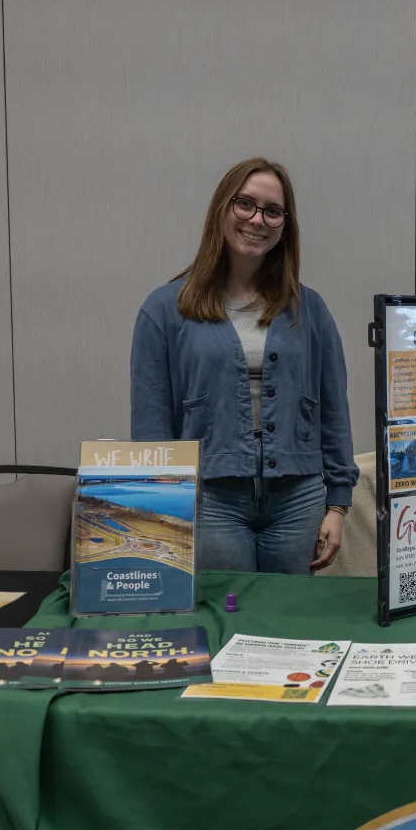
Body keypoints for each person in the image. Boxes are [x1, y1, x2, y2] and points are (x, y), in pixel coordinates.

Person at [131, 158, 358, 575]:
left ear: (285, 225)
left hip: (298, 499)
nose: (258, 220)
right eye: (246, 204)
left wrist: (338, 504)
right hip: (210, 498)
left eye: (273, 211)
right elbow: (151, 421)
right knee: (227, 615)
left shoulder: (311, 310)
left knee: (288, 628)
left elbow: (333, 410)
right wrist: (160, 507)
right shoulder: (164, 308)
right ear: (222, 207)